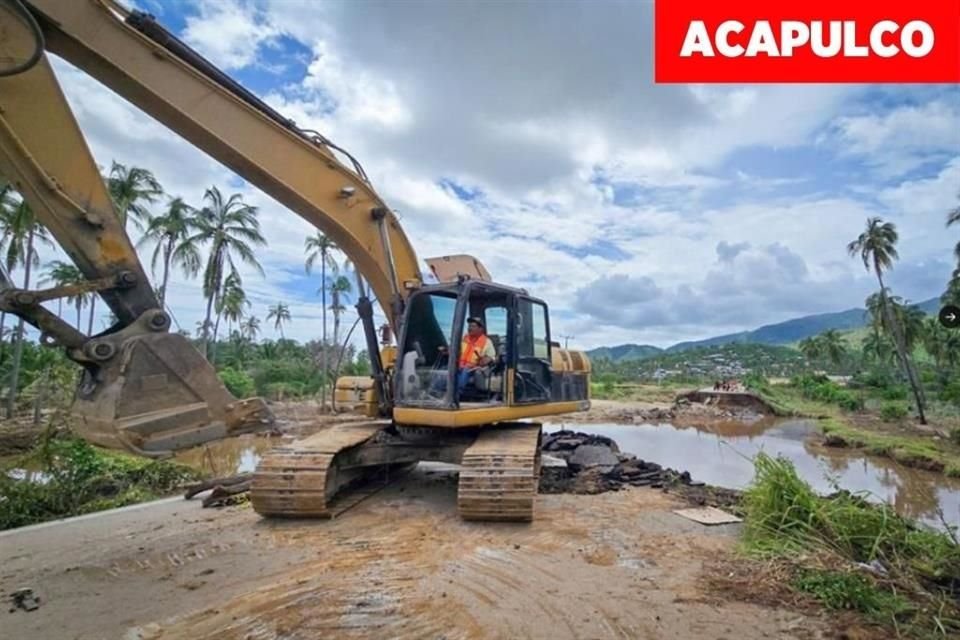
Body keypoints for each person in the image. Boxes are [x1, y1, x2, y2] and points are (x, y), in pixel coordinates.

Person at [436, 317, 496, 398]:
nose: (470, 328)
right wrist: (447, 351)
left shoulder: (487, 342)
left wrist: (484, 361)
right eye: (469, 326)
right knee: (442, 371)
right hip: (459, 365)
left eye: (473, 326)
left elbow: (491, 357)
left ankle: (455, 396)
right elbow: (455, 350)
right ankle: (435, 393)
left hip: (473, 368)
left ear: (480, 329)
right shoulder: (464, 338)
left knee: (465, 372)